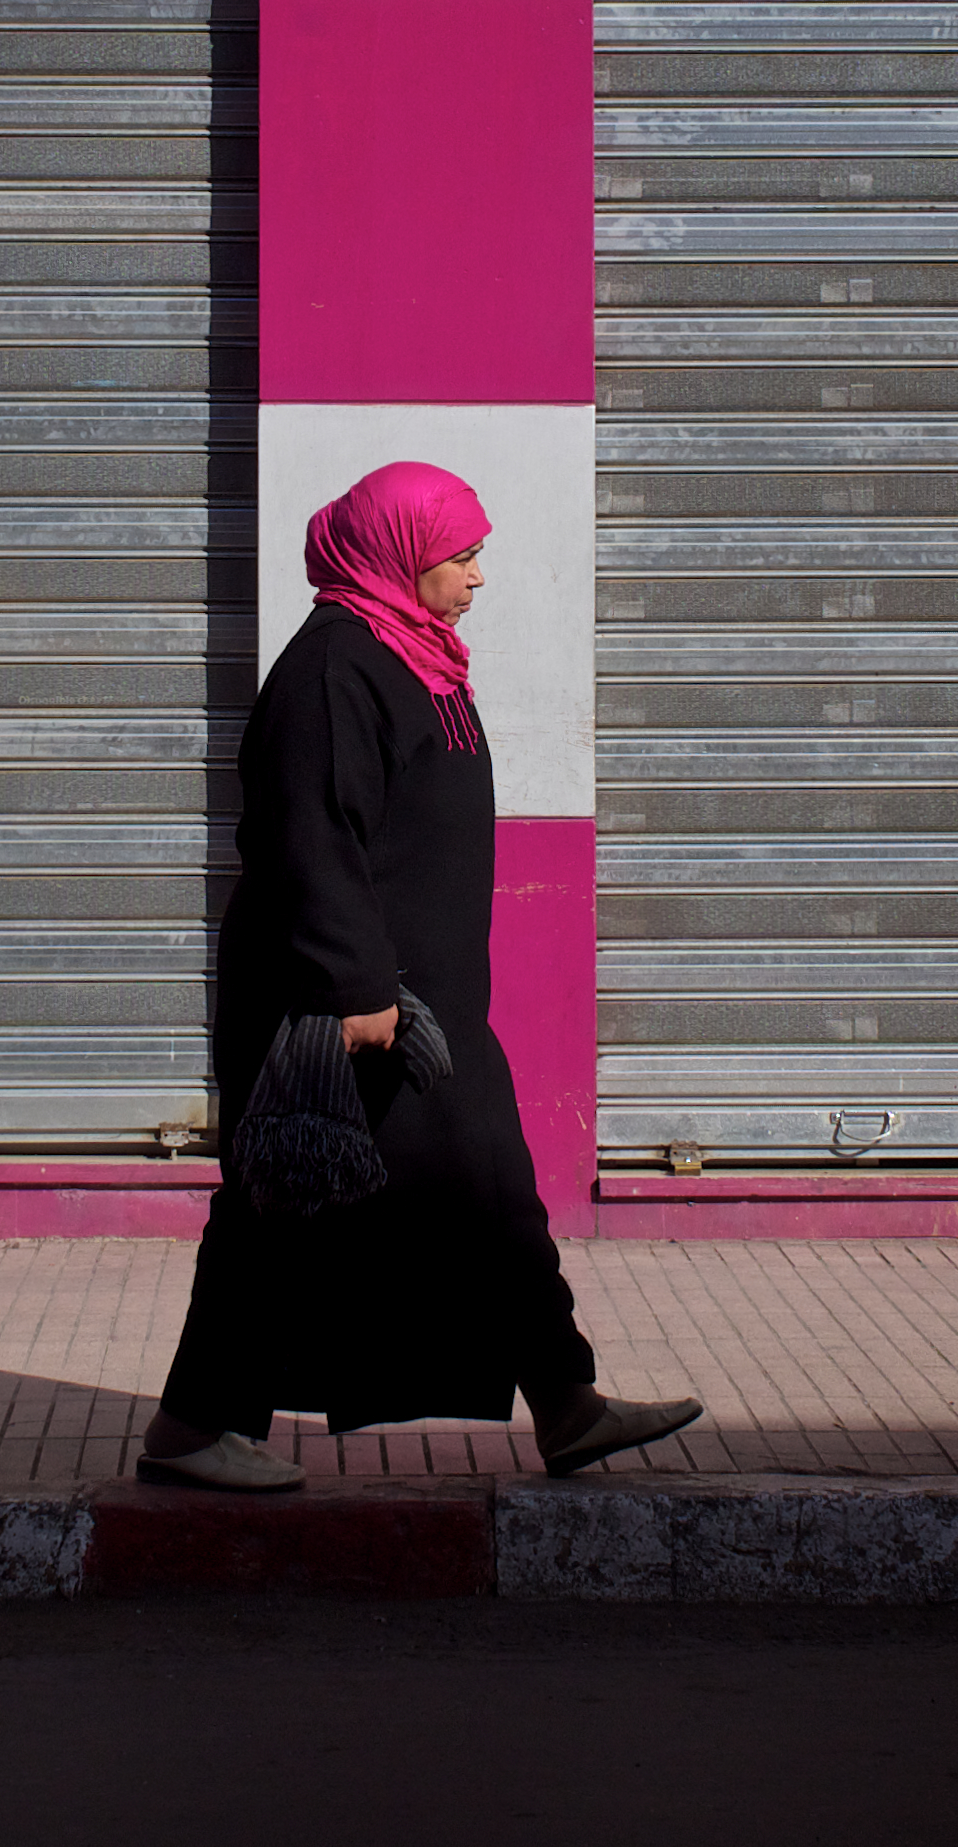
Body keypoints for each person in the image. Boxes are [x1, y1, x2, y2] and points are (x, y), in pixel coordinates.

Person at [139, 461, 703, 1490]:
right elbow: (309, 836)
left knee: (493, 1193)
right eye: (463, 553)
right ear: (401, 554)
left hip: (425, 1007)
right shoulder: (333, 669)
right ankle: (193, 1425)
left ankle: (567, 1401)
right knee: (283, 1202)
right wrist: (356, 990)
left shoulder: (415, 656)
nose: (480, 574)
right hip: (345, 1006)